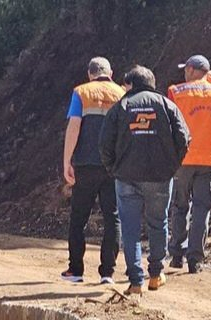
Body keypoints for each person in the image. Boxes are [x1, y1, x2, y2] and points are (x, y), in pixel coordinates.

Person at [99, 65, 190, 295]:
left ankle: (136, 280)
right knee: (158, 223)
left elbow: (104, 144)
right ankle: (156, 274)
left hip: (126, 177)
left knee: (129, 229)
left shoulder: (120, 107)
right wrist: (171, 165)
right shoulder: (167, 105)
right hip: (160, 177)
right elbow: (184, 138)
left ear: (130, 84)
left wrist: (113, 168)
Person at [167, 55, 211, 274]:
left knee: (180, 206)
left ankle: (177, 254)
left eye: (185, 69)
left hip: (182, 159)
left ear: (190, 70)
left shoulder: (176, 91)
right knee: (201, 209)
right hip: (209, 160)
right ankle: (195, 260)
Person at [61, 57, 126, 284]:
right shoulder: (121, 94)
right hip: (113, 166)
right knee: (113, 218)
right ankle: (107, 272)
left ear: (90, 74)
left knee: (79, 217)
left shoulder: (81, 92)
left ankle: (76, 270)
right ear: (111, 72)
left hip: (86, 165)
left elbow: (74, 126)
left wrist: (67, 161)